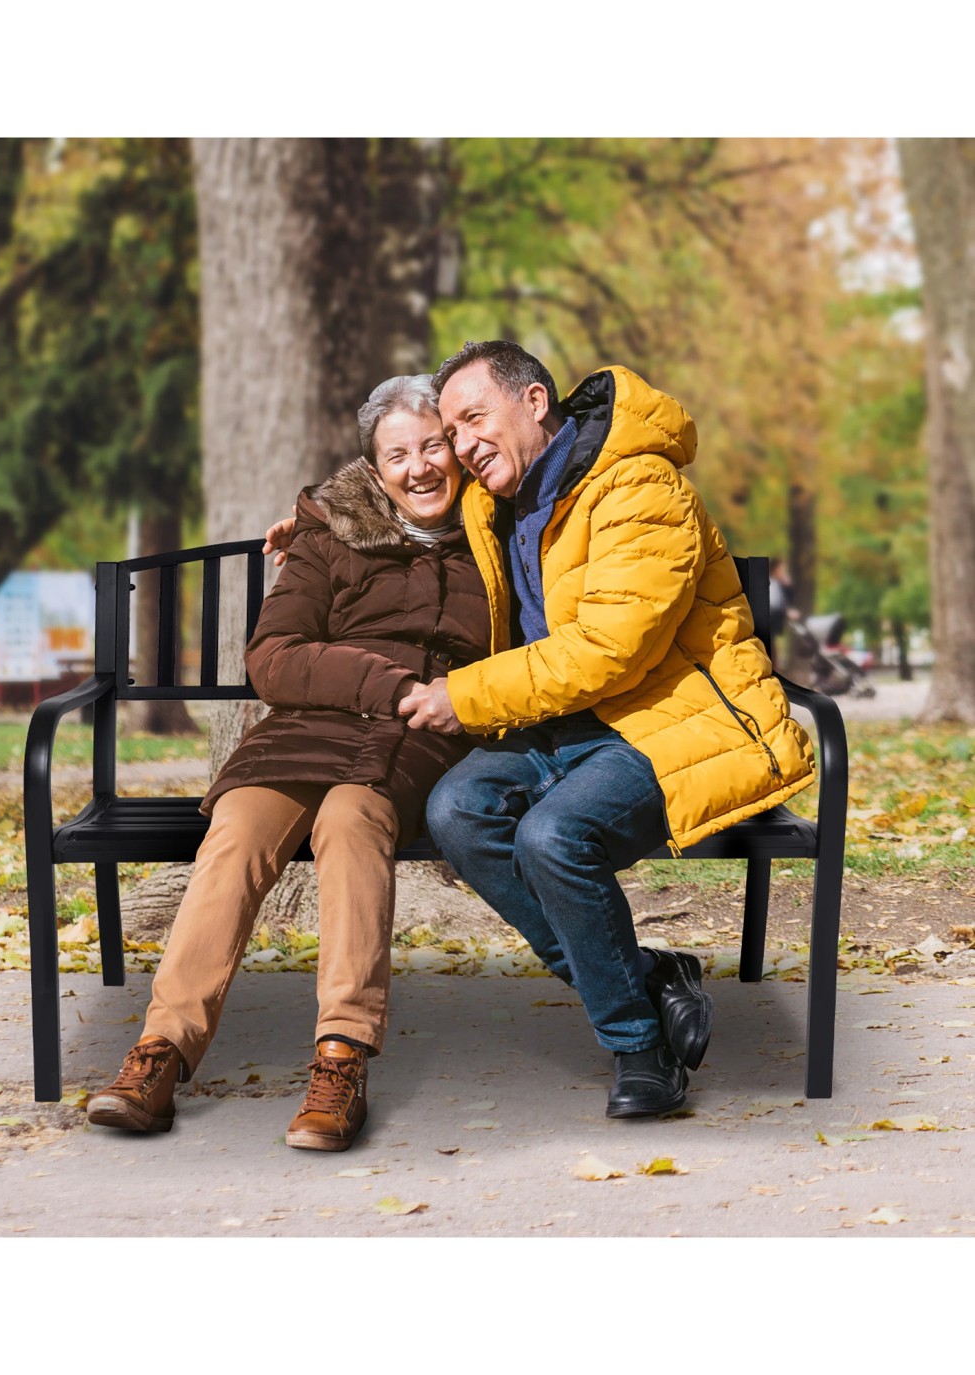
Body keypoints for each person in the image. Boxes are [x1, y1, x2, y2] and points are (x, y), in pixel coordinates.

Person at [397, 341, 816, 1118]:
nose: (461, 445)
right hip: (562, 726)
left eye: (473, 418)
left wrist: (468, 695)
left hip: (666, 723)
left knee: (551, 837)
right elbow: (397, 491)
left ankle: (638, 1046)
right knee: (456, 809)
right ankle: (649, 975)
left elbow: (610, 651)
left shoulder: (640, 485)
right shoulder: (497, 501)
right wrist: (312, 519)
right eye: (451, 432)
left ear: (534, 401)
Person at [85, 375, 491, 1151]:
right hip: (311, 723)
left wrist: (434, 696)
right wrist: (385, 680)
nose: (419, 467)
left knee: (353, 818)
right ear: (375, 470)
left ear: (456, 449)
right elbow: (273, 656)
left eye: (432, 446)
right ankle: (158, 1053)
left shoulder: (496, 534)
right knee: (237, 826)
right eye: (397, 454)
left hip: (417, 730)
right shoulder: (332, 534)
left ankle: (341, 1057)